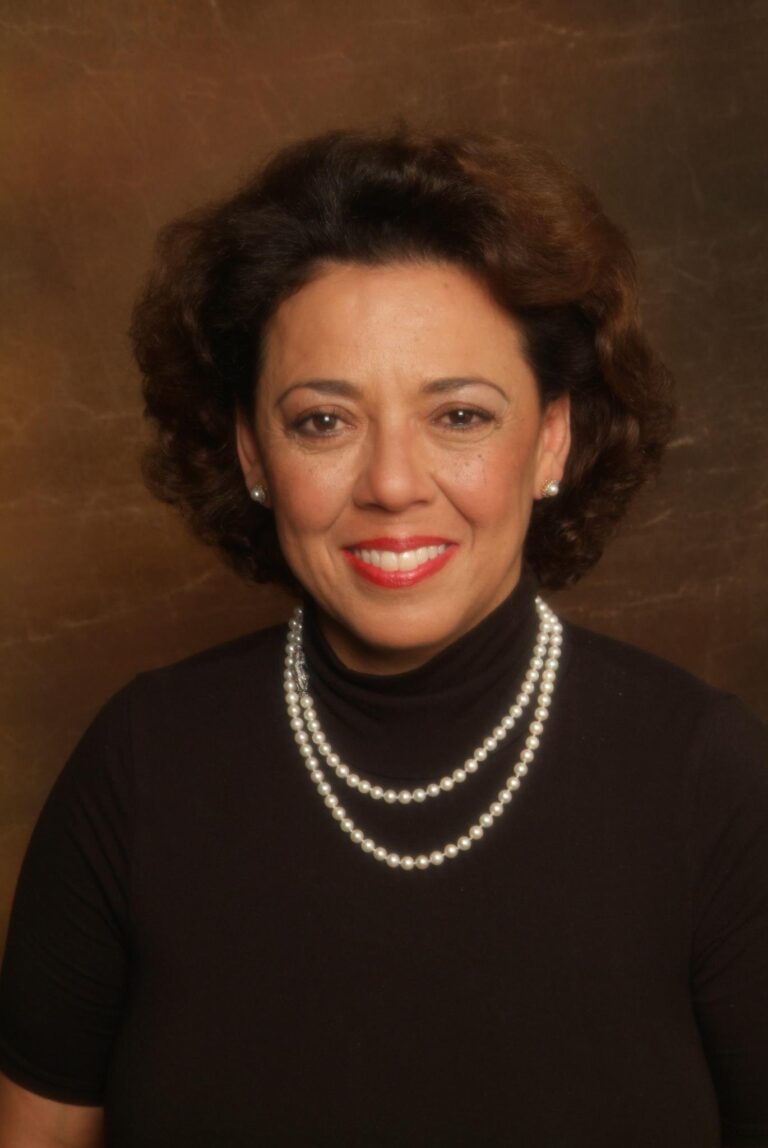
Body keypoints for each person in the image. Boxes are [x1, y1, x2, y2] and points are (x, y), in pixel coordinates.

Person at [0, 125, 766, 1148]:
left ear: (552, 437)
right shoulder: (138, 764)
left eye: (460, 415)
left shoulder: (709, 779)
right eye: (324, 421)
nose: (393, 484)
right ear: (253, 451)